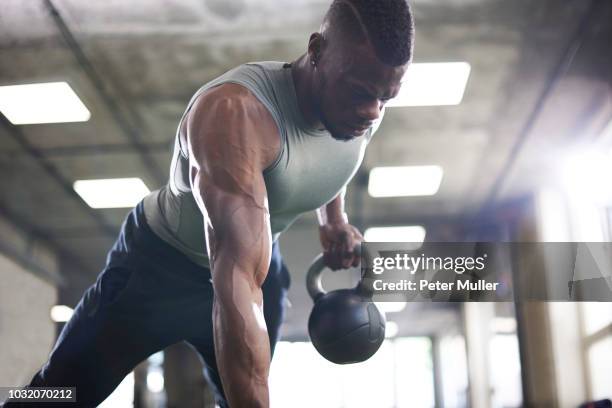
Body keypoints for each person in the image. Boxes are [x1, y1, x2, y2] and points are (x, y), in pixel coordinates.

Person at [4, 0, 414, 407]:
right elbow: (235, 276)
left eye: (386, 98)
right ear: (317, 51)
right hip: (159, 270)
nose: (372, 111)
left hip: (257, 266)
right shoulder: (235, 114)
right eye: (361, 93)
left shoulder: (359, 103)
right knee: (55, 395)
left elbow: (327, 156)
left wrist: (334, 219)